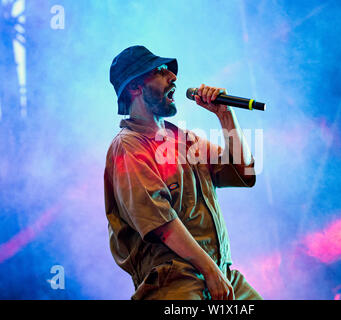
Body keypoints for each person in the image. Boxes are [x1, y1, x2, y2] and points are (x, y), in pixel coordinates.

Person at [104, 45, 262, 300]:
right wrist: (210, 273)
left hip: (221, 274)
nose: (174, 77)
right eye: (161, 71)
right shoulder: (129, 146)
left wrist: (225, 116)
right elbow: (161, 223)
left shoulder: (185, 141)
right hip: (175, 282)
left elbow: (244, 173)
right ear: (135, 87)